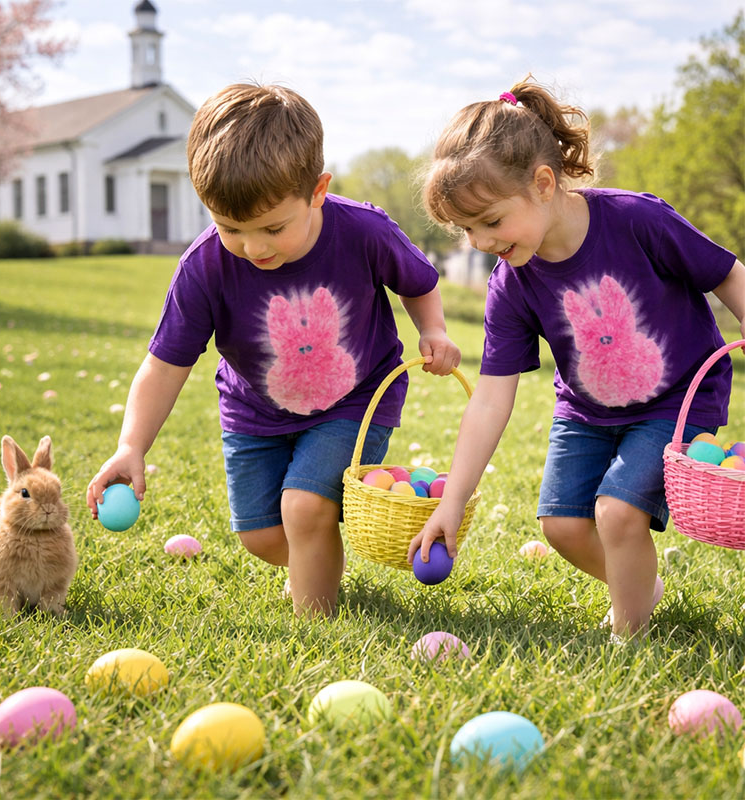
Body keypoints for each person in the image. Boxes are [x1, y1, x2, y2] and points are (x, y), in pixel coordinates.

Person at [86, 83, 461, 617]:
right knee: (263, 536)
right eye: (230, 228)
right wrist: (131, 446)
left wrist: (434, 329)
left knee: (304, 507)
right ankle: (319, 558)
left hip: (354, 399)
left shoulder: (363, 231)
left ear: (317, 191)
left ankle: (316, 621)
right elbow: (165, 365)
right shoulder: (204, 267)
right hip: (254, 413)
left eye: (272, 228)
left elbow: (417, 281)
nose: (253, 247)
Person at [407, 76, 745, 640]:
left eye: (490, 221)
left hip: (676, 400)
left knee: (616, 513)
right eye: (466, 228)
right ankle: (639, 587)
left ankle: (629, 642)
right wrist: (454, 502)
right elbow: (491, 398)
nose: (480, 241)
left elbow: (727, 273)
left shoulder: (638, 222)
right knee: (561, 525)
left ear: (543, 183)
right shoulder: (511, 284)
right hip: (587, 411)